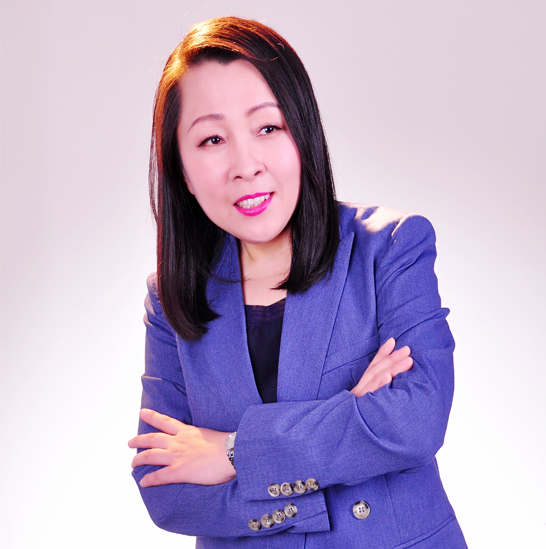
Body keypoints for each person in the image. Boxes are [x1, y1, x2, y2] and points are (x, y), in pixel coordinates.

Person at [128, 16, 467, 548]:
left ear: (302, 132)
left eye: (267, 128)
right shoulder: (172, 298)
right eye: (212, 139)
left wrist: (233, 452)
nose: (246, 165)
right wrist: (349, 416)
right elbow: (165, 488)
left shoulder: (390, 248)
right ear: (183, 172)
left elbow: (415, 422)